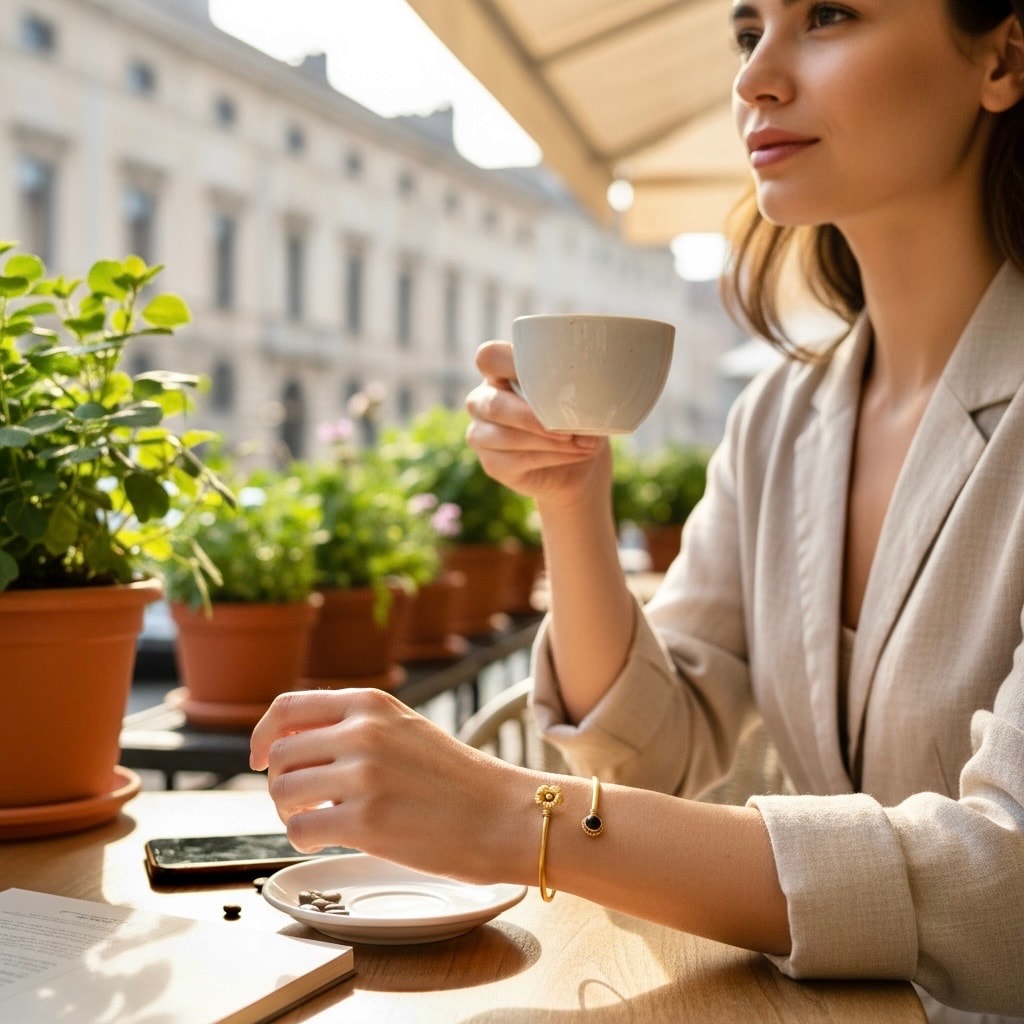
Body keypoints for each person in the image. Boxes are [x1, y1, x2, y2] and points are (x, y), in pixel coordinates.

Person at [249, 2, 1024, 1021]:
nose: (755, 80)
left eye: (828, 15)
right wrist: (571, 501)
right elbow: (652, 752)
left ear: (1002, 57)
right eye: (748, 32)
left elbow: (1001, 885)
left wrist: (512, 815)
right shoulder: (780, 421)